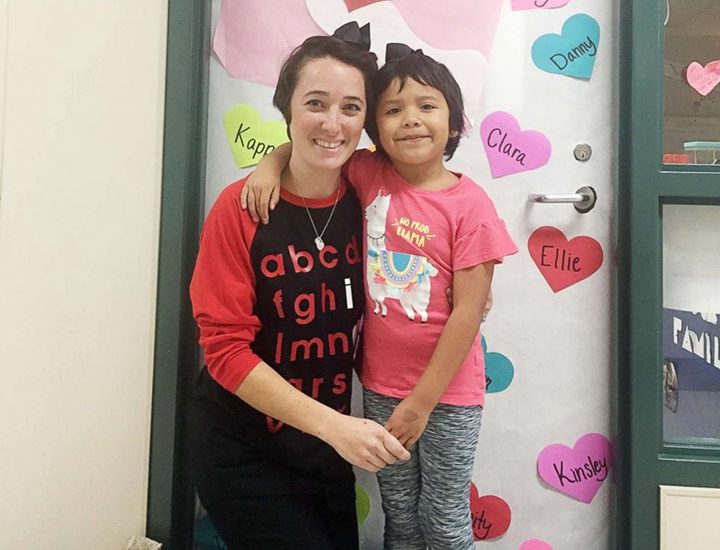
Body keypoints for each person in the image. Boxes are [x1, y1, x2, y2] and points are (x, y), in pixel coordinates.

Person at [243, 43, 518, 549]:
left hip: (447, 395)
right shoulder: (369, 173)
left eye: (426, 106)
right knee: (400, 514)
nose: (410, 120)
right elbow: (308, 147)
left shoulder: (471, 204)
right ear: (374, 129)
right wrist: (269, 165)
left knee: (444, 518)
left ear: (454, 123)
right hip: (380, 386)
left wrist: (422, 403)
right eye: (392, 110)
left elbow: (469, 312)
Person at [189, 24, 410, 550]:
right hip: (244, 444)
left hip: (322, 448)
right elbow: (224, 352)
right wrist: (336, 428)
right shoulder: (242, 208)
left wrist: (475, 284)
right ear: (286, 107)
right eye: (316, 102)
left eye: (351, 107)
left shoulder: (373, 199)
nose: (333, 123)